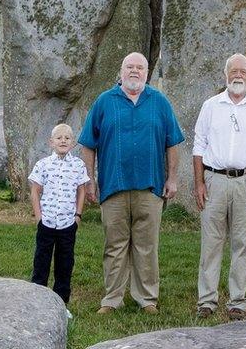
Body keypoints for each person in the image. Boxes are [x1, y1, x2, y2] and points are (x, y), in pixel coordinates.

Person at [78, 52, 185, 315]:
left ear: (147, 73)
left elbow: (172, 143)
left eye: (140, 67)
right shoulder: (104, 102)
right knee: (114, 245)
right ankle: (112, 298)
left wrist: (172, 178)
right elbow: (88, 145)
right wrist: (89, 181)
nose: (134, 71)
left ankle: (146, 298)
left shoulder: (159, 102)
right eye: (130, 67)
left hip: (150, 186)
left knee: (146, 245)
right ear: (121, 71)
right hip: (113, 185)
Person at [192, 53, 246, 321]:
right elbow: (198, 146)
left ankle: (237, 300)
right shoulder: (211, 106)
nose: (237, 75)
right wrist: (199, 182)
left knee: (242, 242)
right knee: (211, 242)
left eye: (242, 71)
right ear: (225, 75)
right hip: (214, 179)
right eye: (233, 71)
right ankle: (207, 300)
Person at [28, 123, 89, 312]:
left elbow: (82, 190)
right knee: (41, 262)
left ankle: (62, 304)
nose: (63, 140)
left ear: (73, 143)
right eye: (59, 138)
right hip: (47, 222)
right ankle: (38, 302)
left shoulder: (78, 165)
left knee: (65, 263)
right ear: (51, 142)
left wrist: (77, 216)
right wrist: (39, 217)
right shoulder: (43, 164)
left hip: (67, 223)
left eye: (67, 138)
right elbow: (35, 191)